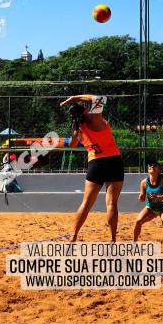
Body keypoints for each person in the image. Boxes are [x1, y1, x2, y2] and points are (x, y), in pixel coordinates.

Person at [60, 94, 124, 242]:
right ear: (84, 112)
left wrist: (75, 132)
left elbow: (72, 145)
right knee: (111, 203)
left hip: (95, 163)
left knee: (86, 203)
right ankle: (113, 239)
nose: (89, 109)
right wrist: (74, 97)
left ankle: (74, 236)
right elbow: (98, 98)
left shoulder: (78, 128)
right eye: (86, 109)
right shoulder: (95, 120)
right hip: (113, 160)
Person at [133, 161, 163, 252]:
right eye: (150, 165)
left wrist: (158, 196)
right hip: (151, 207)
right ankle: (134, 244)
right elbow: (143, 197)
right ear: (148, 169)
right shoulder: (144, 182)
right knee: (138, 221)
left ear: (159, 170)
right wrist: (141, 197)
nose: (152, 166)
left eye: (155, 165)